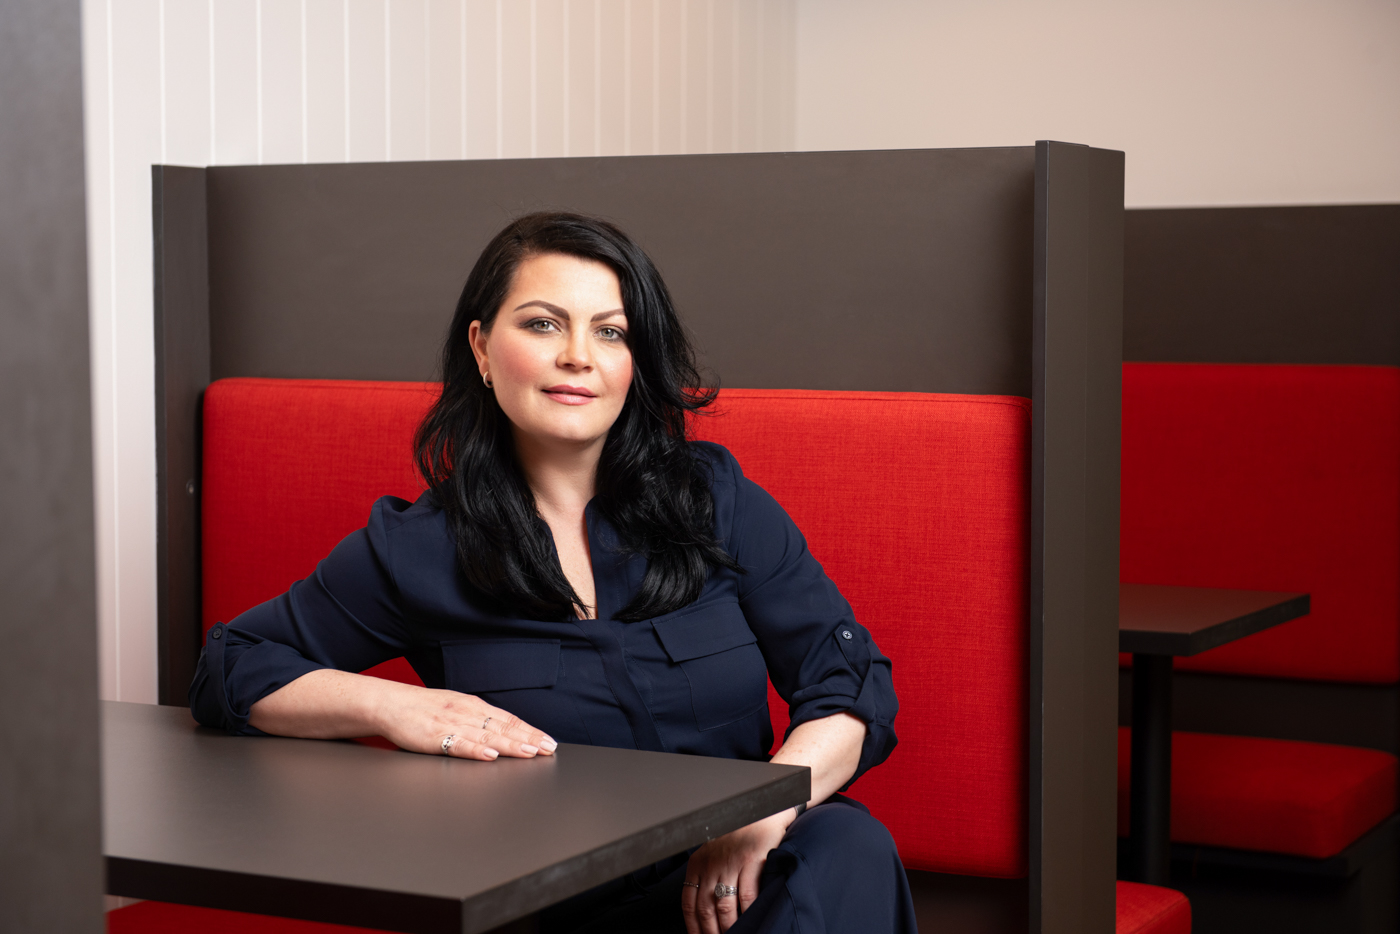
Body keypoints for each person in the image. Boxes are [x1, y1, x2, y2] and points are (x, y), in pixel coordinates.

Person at [190, 212, 915, 934]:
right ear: (480, 347)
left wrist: (760, 810)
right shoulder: (418, 547)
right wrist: (396, 709)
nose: (579, 356)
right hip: (551, 907)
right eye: (542, 325)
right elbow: (232, 664)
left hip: (734, 890)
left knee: (843, 845)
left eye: (611, 331)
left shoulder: (715, 500)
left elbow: (849, 682)